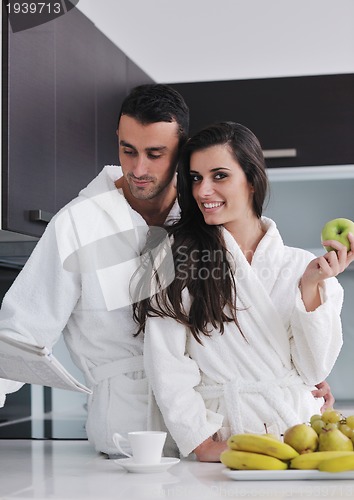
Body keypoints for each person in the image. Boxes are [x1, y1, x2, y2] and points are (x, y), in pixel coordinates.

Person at [0, 86, 334, 455]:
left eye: (156, 154)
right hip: (128, 433)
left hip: (218, 427)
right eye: (128, 151)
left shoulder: (205, 217)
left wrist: (302, 381)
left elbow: (258, 312)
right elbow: (20, 334)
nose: (138, 169)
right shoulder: (77, 225)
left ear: (181, 151)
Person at [133, 121, 353, 462]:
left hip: (300, 434)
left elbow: (313, 370)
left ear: (251, 179)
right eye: (195, 178)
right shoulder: (170, 257)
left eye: (219, 176)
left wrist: (311, 286)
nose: (203, 191)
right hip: (226, 440)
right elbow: (166, 363)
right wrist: (201, 442)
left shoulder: (300, 265)